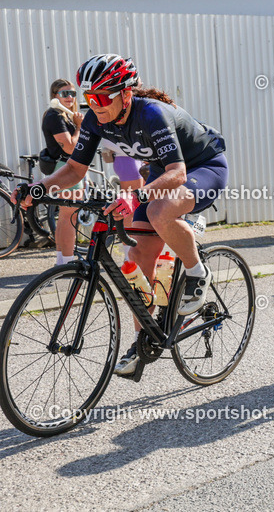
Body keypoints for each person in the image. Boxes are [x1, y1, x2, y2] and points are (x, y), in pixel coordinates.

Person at [19, 54, 227, 377]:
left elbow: (177, 173)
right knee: (136, 254)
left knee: (158, 212)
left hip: (203, 167)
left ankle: (197, 273)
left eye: (102, 98)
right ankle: (142, 339)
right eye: (89, 99)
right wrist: (38, 188)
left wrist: (137, 196)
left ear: (126, 94)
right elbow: (74, 168)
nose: (95, 105)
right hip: (162, 172)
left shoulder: (152, 114)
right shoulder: (94, 120)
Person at [41, 79, 86, 265]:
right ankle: (67, 262)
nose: (70, 97)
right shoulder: (55, 116)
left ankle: (61, 262)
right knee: (70, 217)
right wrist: (79, 127)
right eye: (64, 93)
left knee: (64, 217)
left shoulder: (63, 115)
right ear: (55, 95)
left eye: (73, 94)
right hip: (66, 168)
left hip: (64, 168)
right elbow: (69, 148)